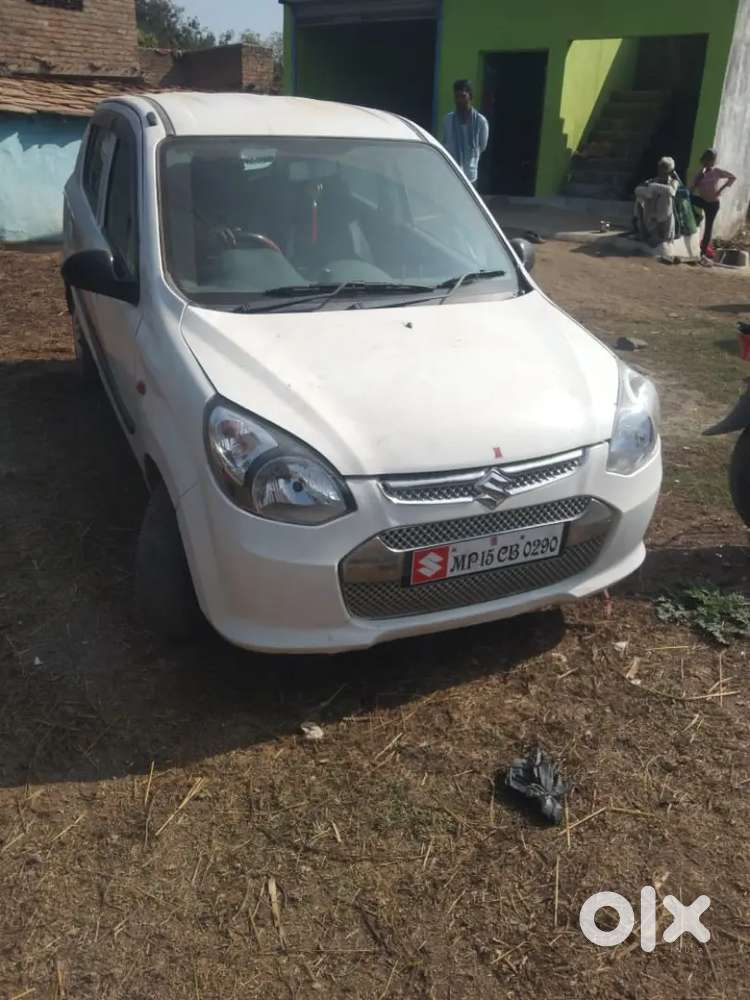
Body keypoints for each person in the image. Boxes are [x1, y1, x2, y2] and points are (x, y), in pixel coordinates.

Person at [690, 148, 736, 259]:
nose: (706, 163)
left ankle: (703, 251)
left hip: (713, 205)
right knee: (687, 198)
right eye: (704, 161)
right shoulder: (700, 173)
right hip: (703, 201)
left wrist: (721, 190)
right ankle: (697, 216)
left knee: (708, 227)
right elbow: (691, 188)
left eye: (709, 161)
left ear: (713, 161)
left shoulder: (717, 171)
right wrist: (696, 183)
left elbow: (732, 177)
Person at [442, 79, 489, 186]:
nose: (459, 100)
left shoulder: (481, 122)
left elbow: (482, 146)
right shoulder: (447, 120)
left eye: (463, 96)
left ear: (470, 96)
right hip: (451, 173)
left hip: (471, 177)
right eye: (457, 97)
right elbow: (445, 143)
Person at [633, 157, 680, 249]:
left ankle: (659, 234)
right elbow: (638, 189)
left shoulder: (673, 182)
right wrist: (649, 190)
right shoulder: (653, 180)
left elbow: (672, 191)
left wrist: (653, 188)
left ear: (668, 171)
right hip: (651, 217)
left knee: (665, 198)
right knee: (640, 198)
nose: (660, 171)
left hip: (665, 224)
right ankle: (643, 231)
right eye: (660, 168)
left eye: (663, 168)